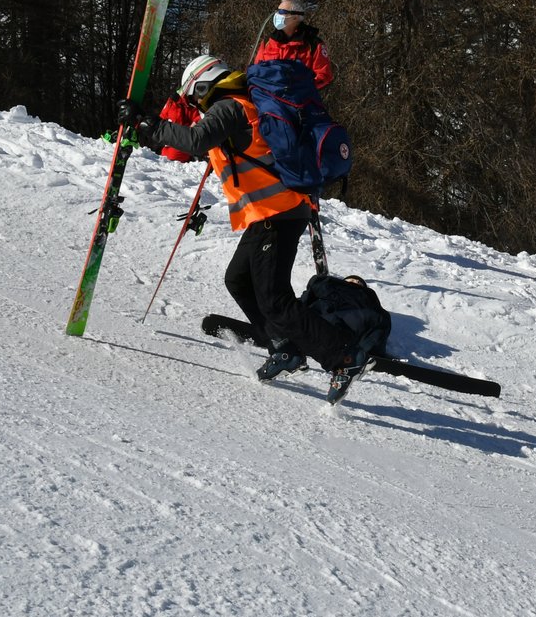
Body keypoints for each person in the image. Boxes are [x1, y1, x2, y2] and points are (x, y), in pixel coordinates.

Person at [121, 55, 369, 400]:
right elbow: (197, 144)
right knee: (237, 279)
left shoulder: (230, 108)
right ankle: (283, 347)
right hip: (268, 215)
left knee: (276, 298)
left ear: (204, 85)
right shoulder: (239, 107)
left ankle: (342, 355)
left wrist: (146, 124)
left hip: (278, 214)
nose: (195, 103)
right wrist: (152, 132)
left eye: (194, 96)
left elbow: (196, 141)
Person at [253, 0, 333, 90]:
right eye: (277, 11)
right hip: (270, 99)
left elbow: (323, 75)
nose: (277, 15)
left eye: (282, 12)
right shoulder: (269, 42)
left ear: (295, 17)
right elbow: (257, 70)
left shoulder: (313, 44)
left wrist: (302, 88)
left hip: (298, 100)